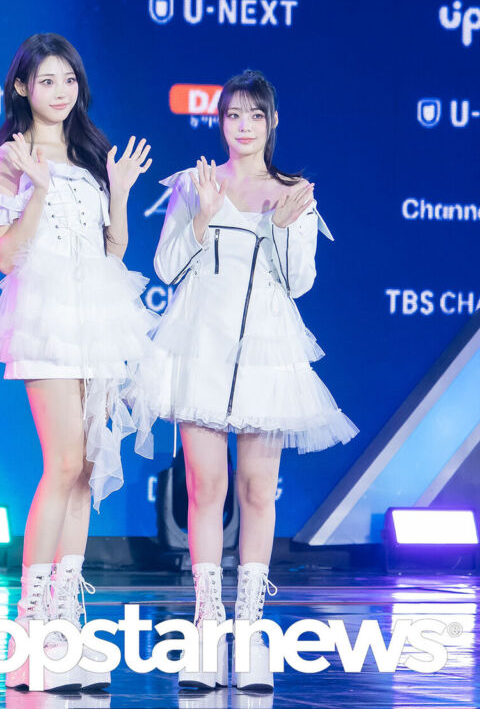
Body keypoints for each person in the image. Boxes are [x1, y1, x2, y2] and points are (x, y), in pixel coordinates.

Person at [152, 70, 357, 691]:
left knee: (258, 490)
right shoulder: (195, 184)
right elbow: (166, 267)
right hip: (201, 349)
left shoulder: (294, 193)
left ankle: (249, 632)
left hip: (265, 353)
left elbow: (298, 282)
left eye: (255, 115)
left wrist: (286, 225)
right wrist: (200, 215)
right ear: (220, 123)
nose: (243, 126)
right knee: (205, 489)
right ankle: (206, 629)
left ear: (272, 123)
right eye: (233, 115)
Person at [0, 33, 160, 693]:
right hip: (45, 315)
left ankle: (63, 619)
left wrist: (121, 190)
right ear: (22, 88)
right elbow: (5, 255)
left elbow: (115, 249)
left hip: (97, 316)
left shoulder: (91, 153)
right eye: (46, 81)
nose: (60, 92)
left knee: (84, 472)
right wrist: (40, 189)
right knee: (62, 463)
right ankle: (29, 628)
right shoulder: (12, 156)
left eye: (69, 80)